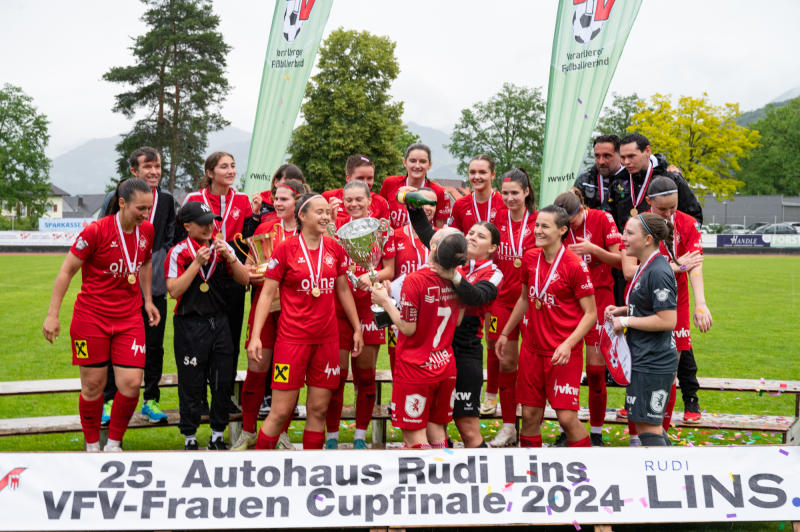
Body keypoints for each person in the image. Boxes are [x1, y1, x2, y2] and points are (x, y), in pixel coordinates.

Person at [42, 178, 160, 452]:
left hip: (129, 318)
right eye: (141, 208)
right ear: (122, 203)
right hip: (91, 319)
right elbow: (66, 271)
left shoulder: (147, 230)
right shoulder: (95, 231)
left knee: (131, 383)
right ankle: (92, 445)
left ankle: (114, 445)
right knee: (93, 385)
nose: (145, 214)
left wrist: (148, 300)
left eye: (149, 208)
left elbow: (145, 262)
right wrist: (52, 315)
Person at [246, 194, 363, 450]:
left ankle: (313, 469)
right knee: (280, 412)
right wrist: (255, 336)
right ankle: (259, 464)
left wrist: (357, 327)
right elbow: (267, 293)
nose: (325, 217)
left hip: (327, 341)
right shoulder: (284, 249)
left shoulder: (335, 248)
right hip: (292, 341)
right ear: (302, 215)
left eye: (327, 212)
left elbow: (343, 290)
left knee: (318, 410)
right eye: (319, 212)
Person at [495, 205, 597, 448]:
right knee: (530, 415)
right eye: (537, 225)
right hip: (531, 350)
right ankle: (531, 468)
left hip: (562, 353)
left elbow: (591, 314)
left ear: (562, 230)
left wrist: (568, 344)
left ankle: (587, 466)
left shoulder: (575, 265)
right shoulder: (530, 258)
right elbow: (524, 299)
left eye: (545, 226)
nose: (538, 231)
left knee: (566, 418)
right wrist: (505, 332)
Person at [622, 176, 711, 432]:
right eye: (663, 209)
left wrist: (701, 304)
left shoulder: (688, 223)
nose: (669, 213)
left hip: (675, 301)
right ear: (649, 202)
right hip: (642, 300)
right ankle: (638, 432)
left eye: (673, 207)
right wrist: (675, 266)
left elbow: (694, 265)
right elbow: (629, 271)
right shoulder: (636, 225)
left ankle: (661, 430)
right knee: (638, 366)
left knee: (669, 372)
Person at [165, 202, 251, 450]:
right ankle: (190, 436)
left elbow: (245, 279)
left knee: (222, 382)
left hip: (220, 322)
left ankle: (217, 435)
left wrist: (231, 257)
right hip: (189, 324)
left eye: (211, 221)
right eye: (202, 223)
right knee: (191, 382)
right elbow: (174, 291)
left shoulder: (222, 248)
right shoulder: (179, 252)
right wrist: (195, 264)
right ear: (187, 226)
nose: (208, 227)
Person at [100, 147, 176, 426]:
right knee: (115, 345)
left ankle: (151, 400)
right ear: (134, 171)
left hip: (153, 289)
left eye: (158, 166)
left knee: (154, 347)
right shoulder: (115, 198)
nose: (154, 172)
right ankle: (109, 400)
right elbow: (105, 234)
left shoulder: (167, 200)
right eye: (148, 167)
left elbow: (169, 240)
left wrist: (156, 274)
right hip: (121, 288)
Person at [370, 228, 466, 448]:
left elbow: (408, 328)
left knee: (415, 439)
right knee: (437, 433)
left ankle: (427, 472)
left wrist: (385, 302)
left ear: (433, 247)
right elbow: (458, 319)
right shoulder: (459, 278)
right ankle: (442, 470)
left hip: (416, 368)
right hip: (445, 365)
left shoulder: (415, 280)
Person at [182, 152, 261, 411]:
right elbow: (182, 236)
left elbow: (248, 239)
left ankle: (223, 396)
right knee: (202, 338)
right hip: (204, 275)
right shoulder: (194, 199)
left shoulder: (242, 200)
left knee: (230, 339)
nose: (230, 171)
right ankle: (200, 398)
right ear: (209, 172)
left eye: (233, 166)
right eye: (224, 167)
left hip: (233, 275)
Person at [232, 179, 305, 450]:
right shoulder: (265, 228)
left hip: (295, 313)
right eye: (276, 198)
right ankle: (248, 431)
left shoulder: (308, 232)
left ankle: (282, 433)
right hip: (264, 308)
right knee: (256, 369)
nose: (277, 203)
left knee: (287, 374)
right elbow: (249, 268)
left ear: (298, 201)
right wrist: (252, 273)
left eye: (284, 199)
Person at [325, 180, 396, 449]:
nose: (353, 204)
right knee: (337, 377)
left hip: (370, 308)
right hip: (340, 309)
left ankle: (359, 437)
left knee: (365, 376)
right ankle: (332, 437)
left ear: (369, 201)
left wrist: (372, 276)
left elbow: (389, 269)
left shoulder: (382, 229)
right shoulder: (335, 229)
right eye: (349, 200)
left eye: (359, 199)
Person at [552, 189, 622, 446]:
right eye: (564, 223)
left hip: (599, 298)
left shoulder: (602, 219)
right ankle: (568, 428)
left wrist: (594, 249)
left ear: (582, 209)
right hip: (568, 302)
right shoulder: (558, 225)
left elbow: (621, 261)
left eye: (572, 221)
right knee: (564, 368)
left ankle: (596, 432)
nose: (569, 227)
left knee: (594, 371)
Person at [605, 213, 679, 446]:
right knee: (647, 425)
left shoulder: (658, 271)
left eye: (629, 233)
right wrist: (622, 310)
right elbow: (648, 307)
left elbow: (667, 320)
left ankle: (668, 470)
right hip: (644, 357)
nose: (623, 238)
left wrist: (627, 321)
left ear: (647, 239)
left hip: (654, 362)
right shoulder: (646, 266)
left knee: (649, 428)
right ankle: (670, 467)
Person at [432, 223, 502, 447]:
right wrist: (414, 207)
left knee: (467, 426)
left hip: (465, 350)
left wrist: (454, 276)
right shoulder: (453, 260)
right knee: (434, 424)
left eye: (480, 236)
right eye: (470, 233)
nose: (472, 237)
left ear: (492, 248)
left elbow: (476, 296)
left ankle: (484, 469)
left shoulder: (494, 272)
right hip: (438, 349)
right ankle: (443, 466)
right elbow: (428, 235)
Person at [482, 169, 538, 447]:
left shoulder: (539, 222)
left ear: (526, 192)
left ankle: (530, 424)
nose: (509, 198)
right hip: (502, 301)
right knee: (505, 360)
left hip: (532, 303)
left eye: (515, 193)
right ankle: (507, 427)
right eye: (505, 193)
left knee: (530, 365)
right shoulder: (497, 221)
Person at [388, 187, 439, 370]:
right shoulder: (395, 235)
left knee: (430, 360)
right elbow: (388, 270)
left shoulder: (442, 238)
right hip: (400, 308)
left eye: (432, 203)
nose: (427, 207)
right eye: (423, 202)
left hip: (431, 307)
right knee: (396, 359)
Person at [612, 133, 703, 230]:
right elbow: (611, 220)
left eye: (631, 156)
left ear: (647, 151)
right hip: (627, 239)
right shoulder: (618, 180)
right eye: (623, 157)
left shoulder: (671, 178)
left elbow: (695, 219)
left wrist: (673, 237)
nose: (626, 162)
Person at [379, 143, 451, 230]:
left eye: (422, 161)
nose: (417, 166)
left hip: (425, 238)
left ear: (430, 165)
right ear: (405, 162)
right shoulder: (390, 183)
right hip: (393, 238)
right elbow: (380, 215)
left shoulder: (439, 192)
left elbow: (440, 231)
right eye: (412, 161)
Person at [322, 154, 390, 221]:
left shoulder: (380, 202)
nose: (365, 183)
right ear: (348, 178)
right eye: (360, 178)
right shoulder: (329, 198)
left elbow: (386, 227)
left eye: (369, 178)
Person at [448, 154, 502, 231]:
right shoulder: (459, 205)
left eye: (482, 172)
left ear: (492, 175)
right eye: (472, 172)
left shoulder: (504, 203)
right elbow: (453, 235)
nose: (476, 177)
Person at [573, 134, 626, 212]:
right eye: (597, 156)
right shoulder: (584, 182)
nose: (601, 162)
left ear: (620, 155)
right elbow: (573, 214)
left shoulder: (632, 181)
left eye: (607, 156)